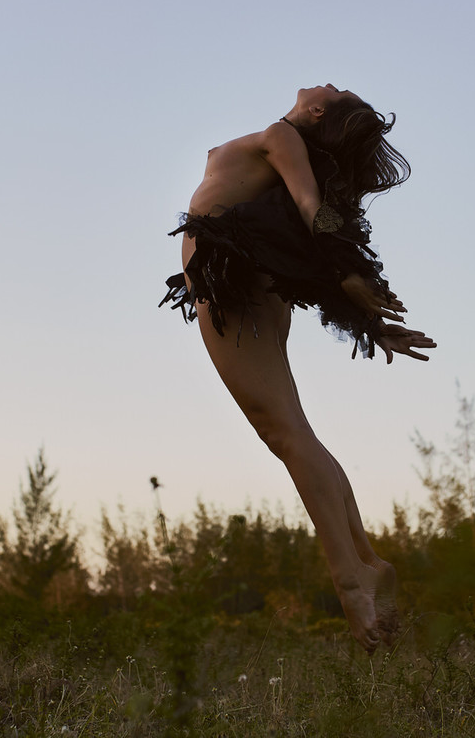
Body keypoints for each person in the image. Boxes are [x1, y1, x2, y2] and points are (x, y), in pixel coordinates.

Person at [160, 84, 435, 651]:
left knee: (284, 434)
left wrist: (354, 277)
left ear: (315, 113)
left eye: (335, 91)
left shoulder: (283, 136)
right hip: (245, 281)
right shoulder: (282, 143)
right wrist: (367, 317)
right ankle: (365, 560)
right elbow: (295, 236)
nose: (327, 84)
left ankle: (352, 581)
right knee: (296, 433)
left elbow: (314, 213)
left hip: (231, 286)